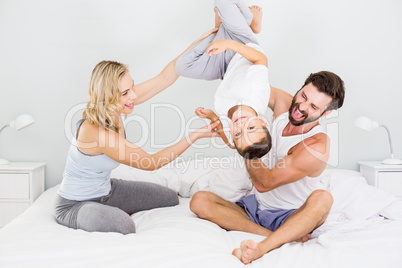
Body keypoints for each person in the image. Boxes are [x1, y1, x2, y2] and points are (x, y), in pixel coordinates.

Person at [190, 71, 345, 264]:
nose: (301, 107)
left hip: (291, 215)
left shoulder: (315, 146)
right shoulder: (284, 103)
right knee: (199, 201)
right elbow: (250, 89)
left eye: (313, 106)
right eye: (303, 96)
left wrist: (244, 139)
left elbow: (265, 182)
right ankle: (276, 236)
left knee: (323, 198)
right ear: (301, 88)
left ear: (326, 112)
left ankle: (263, 247)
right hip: (255, 207)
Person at [55, 57, 221, 234]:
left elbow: (165, 78)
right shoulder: (97, 132)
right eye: (125, 93)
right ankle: (106, 213)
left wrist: (203, 43)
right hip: (74, 205)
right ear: (107, 97)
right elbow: (151, 163)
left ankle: (108, 209)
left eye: (132, 87)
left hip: (107, 190)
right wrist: (195, 136)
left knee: (170, 197)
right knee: (124, 225)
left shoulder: (118, 106)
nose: (133, 95)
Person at [175, 0, 271, 159]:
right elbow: (261, 60)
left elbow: (228, 141)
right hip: (242, 47)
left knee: (182, 67)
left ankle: (218, 31)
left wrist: (212, 116)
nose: (241, 125)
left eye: (239, 133)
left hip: (225, 69)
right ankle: (251, 22)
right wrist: (228, 44)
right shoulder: (254, 91)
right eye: (252, 127)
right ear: (262, 121)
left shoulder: (231, 130)